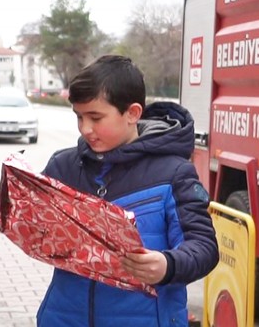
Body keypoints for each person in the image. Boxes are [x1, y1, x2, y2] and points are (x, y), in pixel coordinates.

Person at [36, 55, 219, 326]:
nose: (85, 129)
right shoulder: (62, 167)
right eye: (79, 117)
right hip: (64, 317)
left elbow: (205, 247)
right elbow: (39, 233)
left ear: (132, 113)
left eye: (96, 117)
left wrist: (168, 265)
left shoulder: (173, 173)